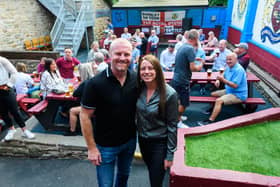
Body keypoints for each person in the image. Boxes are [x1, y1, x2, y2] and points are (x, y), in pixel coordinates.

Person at [80, 38, 137, 187]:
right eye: (118, 53)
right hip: (105, 147)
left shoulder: (136, 79)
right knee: (105, 184)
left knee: (124, 177)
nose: (123, 58)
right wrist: (92, 148)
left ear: (132, 56)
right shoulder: (94, 84)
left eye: (127, 54)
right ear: (109, 55)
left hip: (130, 141)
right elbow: (84, 115)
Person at [136, 54, 178, 187]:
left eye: (150, 68)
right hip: (143, 141)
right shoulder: (139, 89)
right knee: (151, 172)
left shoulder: (170, 94)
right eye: (143, 69)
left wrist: (170, 155)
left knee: (156, 180)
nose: (146, 72)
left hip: (160, 144)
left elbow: (172, 125)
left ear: (157, 70)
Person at [198, 53, 248, 125]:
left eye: (230, 59)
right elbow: (223, 73)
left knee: (219, 101)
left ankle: (210, 121)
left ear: (236, 60)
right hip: (229, 90)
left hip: (238, 94)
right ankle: (213, 109)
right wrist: (218, 80)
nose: (228, 61)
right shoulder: (229, 67)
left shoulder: (239, 70)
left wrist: (222, 80)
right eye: (227, 59)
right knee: (213, 94)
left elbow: (235, 85)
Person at [170, 29, 204, 128]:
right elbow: (193, 68)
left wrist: (194, 59)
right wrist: (201, 64)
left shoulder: (182, 46)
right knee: (184, 103)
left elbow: (183, 60)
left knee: (178, 101)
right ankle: (177, 121)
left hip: (175, 78)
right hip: (182, 80)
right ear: (196, 39)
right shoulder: (190, 49)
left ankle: (178, 118)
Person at [0, 56, 35, 140]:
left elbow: (14, 72)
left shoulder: (2, 60)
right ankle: (11, 129)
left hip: (6, 88)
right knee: (2, 112)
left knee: (15, 111)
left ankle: (25, 130)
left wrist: (9, 85)